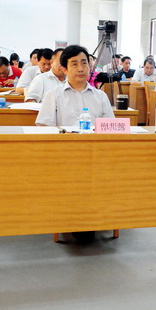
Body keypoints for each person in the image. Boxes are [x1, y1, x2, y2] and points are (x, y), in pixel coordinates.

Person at [38, 45, 114, 244]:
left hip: (96, 155)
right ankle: (77, 218)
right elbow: (45, 129)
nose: (81, 68)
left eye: (84, 63)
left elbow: (112, 128)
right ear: (64, 69)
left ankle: (92, 217)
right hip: (65, 156)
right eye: (74, 64)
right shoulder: (54, 94)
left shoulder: (101, 96)